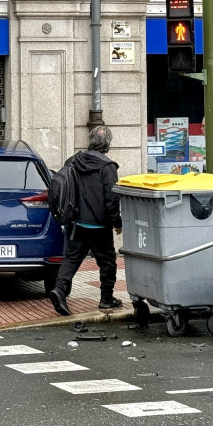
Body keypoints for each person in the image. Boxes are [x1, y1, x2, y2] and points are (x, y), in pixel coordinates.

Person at [48, 125, 123, 316]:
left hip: (76, 222)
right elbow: (112, 199)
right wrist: (117, 222)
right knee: (107, 262)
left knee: (72, 259)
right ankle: (106, 299)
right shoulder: (108, 167)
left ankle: (60, 290)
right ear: (107, 144)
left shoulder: (73, 161)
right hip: (99, 224)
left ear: (90, 140)